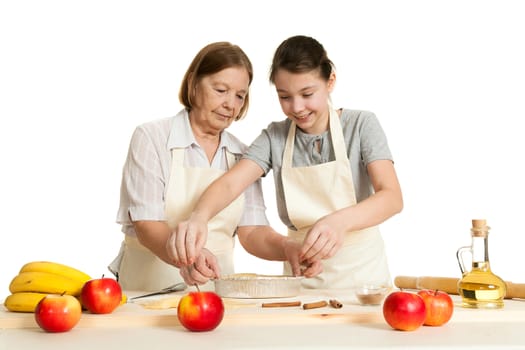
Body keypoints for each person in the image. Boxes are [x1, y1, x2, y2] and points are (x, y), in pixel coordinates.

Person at [168, 35, 403, 289]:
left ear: (330, 81)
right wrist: (199, 217)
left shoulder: (361, 126)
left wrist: (338, 222)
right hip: (301, 278)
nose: (297, 107)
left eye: (307, 93)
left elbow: (391, 197)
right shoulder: (274, 138)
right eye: (285, 97)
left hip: (364, 280)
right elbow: (229, 185)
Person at [109, 41, 274, 292]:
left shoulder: (243, 154)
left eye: (240, 96)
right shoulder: (152, 138)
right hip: (148, 292)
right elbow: (146, 224)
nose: (231, 104)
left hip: (218, 295)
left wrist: (289, 249)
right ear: (193, 84)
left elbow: (252, 232)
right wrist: (188, 257)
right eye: (221, 90)